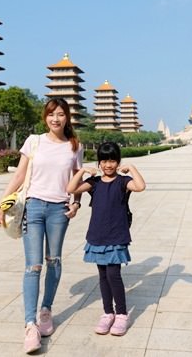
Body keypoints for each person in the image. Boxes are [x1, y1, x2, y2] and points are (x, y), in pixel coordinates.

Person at [0, 98, 83, 354]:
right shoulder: (34, 141)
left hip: (59, 211)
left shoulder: (75, 146)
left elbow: (77, 180)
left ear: (67, 118)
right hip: (33, 207)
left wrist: (76, 203)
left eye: (61, 114)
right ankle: (30, 325)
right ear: (45, 117)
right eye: (51, 114)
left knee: (54, 260)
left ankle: (46, 311)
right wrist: (2, 203)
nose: (56, 119)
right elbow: (20, 175)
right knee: (33, 266)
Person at [66, 141, 146, 336]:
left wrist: (133, 168)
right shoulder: (94, 183)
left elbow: (140, 186)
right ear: (99, 163)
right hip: (98, 235)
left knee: (114, 275)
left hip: (116, 235)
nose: (108, 165)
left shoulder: (122, 181)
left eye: (112, 161)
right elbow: (70, 189)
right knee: (102, 276)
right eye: (104, 161)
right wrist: (82, 171)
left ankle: (121, 314)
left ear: (118, 162)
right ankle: (107, 312)